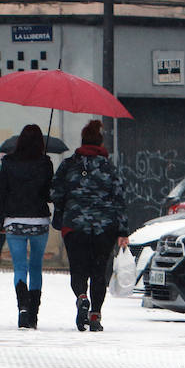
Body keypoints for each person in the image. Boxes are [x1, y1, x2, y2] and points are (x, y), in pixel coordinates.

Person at [51, 119, 130, 332]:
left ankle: (81, 296)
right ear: (100, 142)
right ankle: (95, 314)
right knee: (98, 271)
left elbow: (55, 193)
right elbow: (119, 199)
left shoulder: (69, 165)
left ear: (82, 140)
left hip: (75, 227)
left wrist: (65, 204)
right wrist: (123, 230)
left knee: (78, 270)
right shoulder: (109, 167)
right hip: (104, 228)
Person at [0, 124, 54, 329]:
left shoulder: (8, 163)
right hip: (38, 220)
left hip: (14, 220)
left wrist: (0, 221)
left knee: (20, 267)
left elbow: (0, 193)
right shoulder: (45, 163)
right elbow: (48, 194)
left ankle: (22, 309)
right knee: (36, 267)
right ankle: (34, 314)